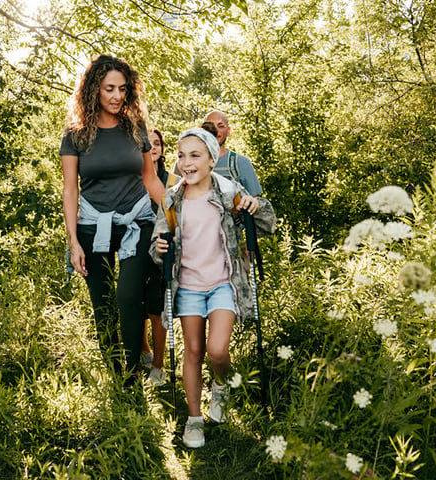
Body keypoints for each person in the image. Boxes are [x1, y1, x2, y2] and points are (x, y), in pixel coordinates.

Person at [150, 127, 275, 448]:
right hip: (188, 286)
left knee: (217, 350)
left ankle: (220, 385)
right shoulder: (172, 199)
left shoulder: (228, 192)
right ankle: (193, 420)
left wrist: (253, 205)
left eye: (195, 155)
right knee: (193, 351)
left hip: (222, 282)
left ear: (211, 159)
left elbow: (266, 223)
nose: (186, 163)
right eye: (180, 155)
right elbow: (156, 243)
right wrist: (160, 248)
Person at [60, 54, 165, 387]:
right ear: (94, 90)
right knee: (102, 303)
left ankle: (134, 371)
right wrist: (73, 241)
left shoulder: (135, 128)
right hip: (92, 225)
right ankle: (116, 375)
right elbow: (69, 190)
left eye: (122, 89)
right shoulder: (75, 134)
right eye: (109, 89)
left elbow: (151, 181)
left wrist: (181, 214)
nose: (117, 96)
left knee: (128, 296)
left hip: (137, 220)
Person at [140, 128, 169, 385]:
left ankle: (159, 367)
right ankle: (144, 350)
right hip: (136, 245)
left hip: (161, 248)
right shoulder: (133, 179)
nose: (153, 147)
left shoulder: (172, 180)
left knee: (157, 306)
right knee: (137, 303)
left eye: (157, 143)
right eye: (147, 143)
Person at [202, 110, 263, 196]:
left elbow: (258, 203)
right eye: (210, 126)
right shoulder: (186, 163)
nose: (215, 131)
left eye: (221, 126)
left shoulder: (241, 163)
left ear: (228, 131)